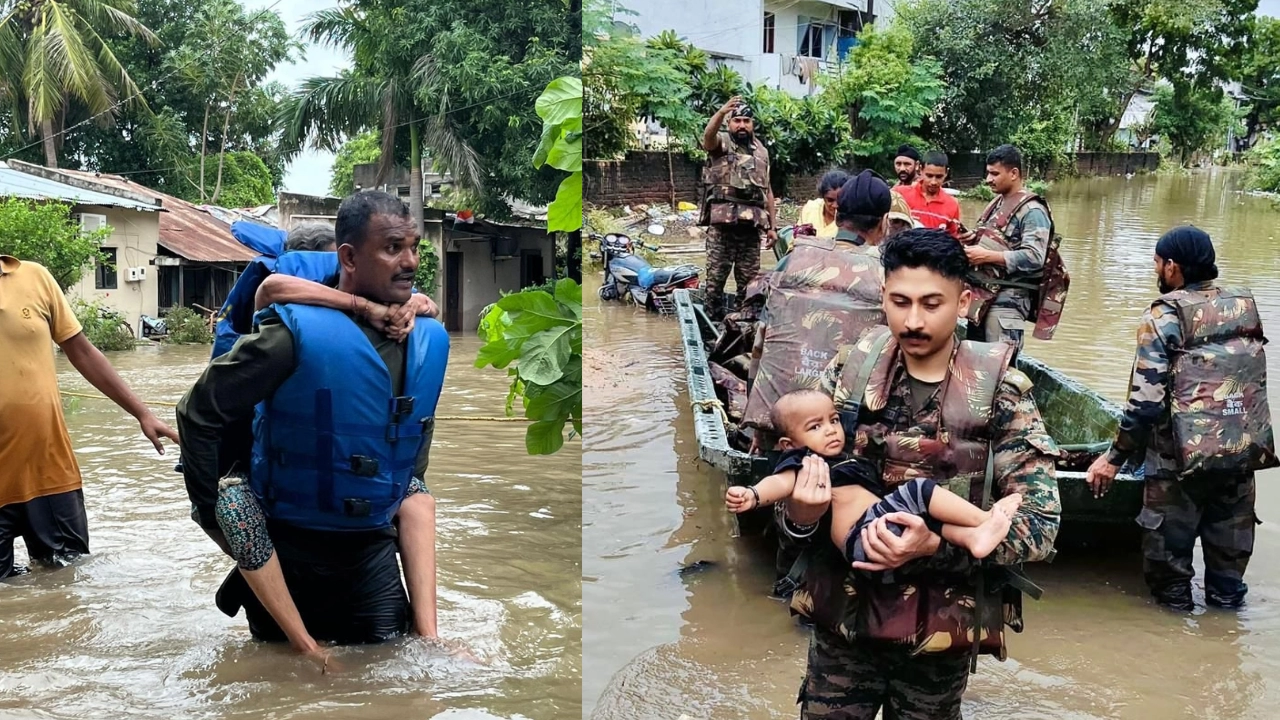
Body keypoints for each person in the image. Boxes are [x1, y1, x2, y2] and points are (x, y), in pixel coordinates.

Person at [779, 228, 1061, 720]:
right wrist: (800, 516)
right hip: (844, 626)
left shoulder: (1003, 393)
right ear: (883, 298)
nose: (913, 320)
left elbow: (1040, 526)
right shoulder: (846, 379)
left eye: (932, 304)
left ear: (965, 300)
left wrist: (936, 545)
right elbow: (790, 490)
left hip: (937, 639)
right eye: (900, 301)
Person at [176, 191, 450, 666]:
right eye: (391, 248)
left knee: (398, 679)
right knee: (275, 682)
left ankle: (432, 639)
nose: (409, 262)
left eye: (414, 247)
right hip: (283, 554)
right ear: (347, 256)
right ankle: (300, 640)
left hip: (369, 554)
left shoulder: (425, 337)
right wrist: (211, 514)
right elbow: (198, 414)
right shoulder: (289, 333)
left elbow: (410, 459)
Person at [1086, 226, 1277, 612]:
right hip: (1239, 454)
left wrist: (1113, 459)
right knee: (1228, 585)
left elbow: (1145, 404)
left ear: (1173, 267)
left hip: (1177, 465)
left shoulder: (1164, 313)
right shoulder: (1242, 304)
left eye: (1157, 262)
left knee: (1171, 586)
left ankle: (1174, 646)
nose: (1156, 270)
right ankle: (1225, 643)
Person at [0, 253, 178, 580]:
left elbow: (82, 352)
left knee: (69, 582)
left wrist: (142, 413)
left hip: (48, 471)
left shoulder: (35, 278)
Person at [727, 389, 1023, 563]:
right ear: (788, 445)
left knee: (927, 519)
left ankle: (974, 537)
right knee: (919, 490)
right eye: (815, 427)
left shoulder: (842, 456)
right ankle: (987, 520)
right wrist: (752, 495)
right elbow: (779, 483)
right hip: (862, 535)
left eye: (833, 420)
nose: (831, 430)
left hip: (877, 525)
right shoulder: (804, 462)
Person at [959, 144, 1056, 353]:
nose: (988, 179)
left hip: (1007, 302)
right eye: (988, 173)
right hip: (982, 299)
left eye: (995, 173)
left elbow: (1034, 257)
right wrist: (972, 238)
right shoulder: (995, 204)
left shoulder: (1033, 211)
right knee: (974, 360)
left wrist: (986, 256)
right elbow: (997, 238)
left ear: (1014, 173)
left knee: (1000, 368)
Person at [698, 95, 778, 319]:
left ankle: (742, 329)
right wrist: (721, 112)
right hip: (722, 229)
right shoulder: (721, 143)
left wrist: (773, 227)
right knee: (714, 284)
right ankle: (709, 331)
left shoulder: (761, 151)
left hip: (751, 230)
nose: (742, 125)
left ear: (752, 124)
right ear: (729, 123)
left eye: (746, 121)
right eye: (737, 120)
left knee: (750, 286)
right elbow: (707, 138)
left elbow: (767, 190)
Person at [896, 151, 962, 237]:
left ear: (946, 173)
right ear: (920, 170)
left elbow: (953, 238)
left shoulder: (953, 204)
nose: (933, 182)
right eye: (929, 176)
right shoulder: (900, 194)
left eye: (939, 177)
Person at [798, 170, 849, 239]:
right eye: (830, 200)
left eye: (840, 200)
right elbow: (796, 239)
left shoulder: (851, 218)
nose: (835, 205)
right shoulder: (810, 208)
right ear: (823, 197)